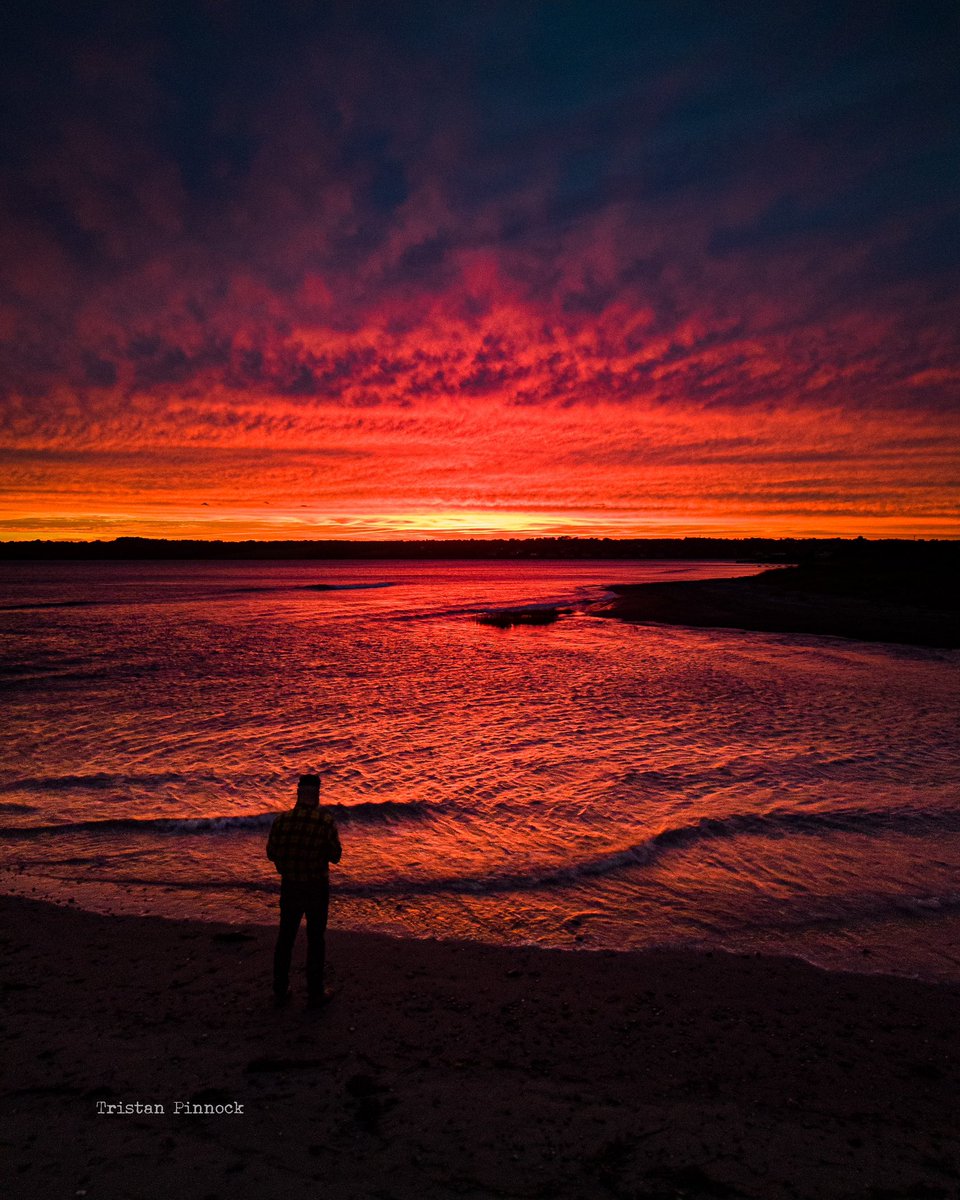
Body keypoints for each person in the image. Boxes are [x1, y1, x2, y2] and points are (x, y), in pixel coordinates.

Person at [266, 772, 342, 1008]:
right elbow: (336, 856)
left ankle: (280, 987)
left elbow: (271, 853)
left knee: (285, 938)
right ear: (316, 794)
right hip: (316, 887)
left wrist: (287, 863)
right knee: (315, 939)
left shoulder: (281, 821)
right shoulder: (325, 822)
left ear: (298, 793)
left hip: (290, 886)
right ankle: (315, 991)